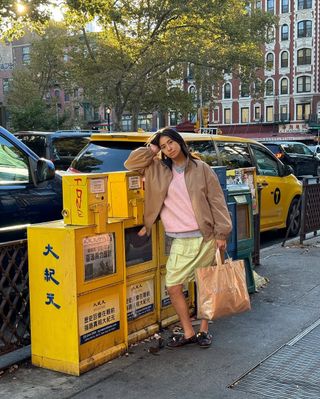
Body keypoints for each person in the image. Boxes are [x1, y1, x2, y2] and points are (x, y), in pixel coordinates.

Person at [124, 127, 232, 348]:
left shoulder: (201, 168)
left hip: (205, 237)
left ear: (179, 142)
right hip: (179, 239)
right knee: (173, 285)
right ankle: (188, 330)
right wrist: (152, 147)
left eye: (170, 143)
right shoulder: (157, 169)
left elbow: (217, 202)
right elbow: (131, 164)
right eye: (163, 146)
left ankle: (203, 330)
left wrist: (222, 234)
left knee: (206, 285)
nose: (168, 148)